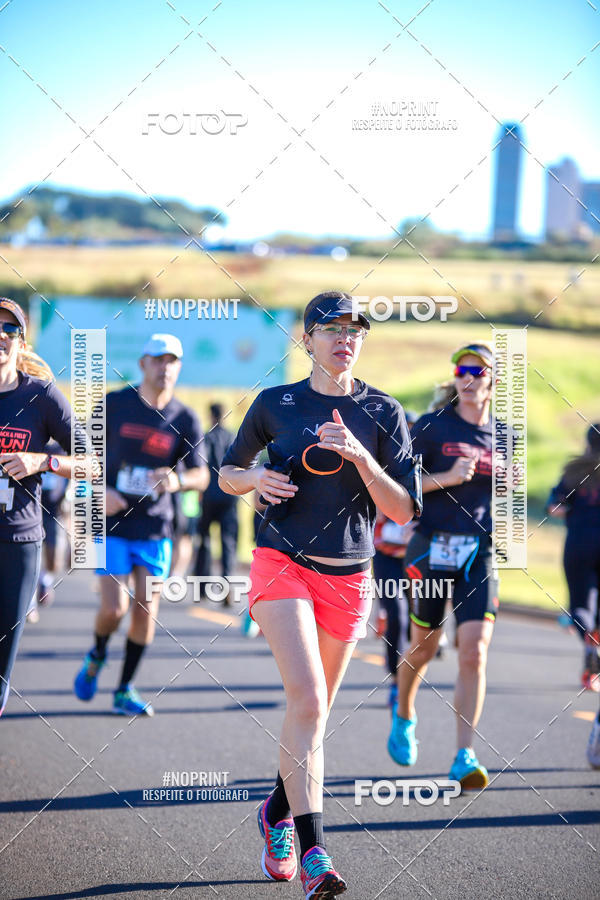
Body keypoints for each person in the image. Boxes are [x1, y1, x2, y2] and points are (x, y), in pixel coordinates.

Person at [219, 291, 421, 898]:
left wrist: (362, 457)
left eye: (355, 330)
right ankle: (315, 855)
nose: (345, 338)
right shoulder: (275, 403)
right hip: (282, 563)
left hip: (350, 575)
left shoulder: (384, 412)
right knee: (306, 697)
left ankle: (274, 812)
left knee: (314, 714)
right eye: (331, 329)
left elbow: (403, 509)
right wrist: (253, 477)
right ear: (306, 339)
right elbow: (229, 473)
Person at [73, 334, 209, 716]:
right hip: (110, 522)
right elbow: (80, 456)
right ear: (143, 364)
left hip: (154, 528)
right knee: (114, 608)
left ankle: (124, 688)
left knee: (145, 611)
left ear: (178, 367)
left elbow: (202, 475)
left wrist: (177, 481)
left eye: (172, 361)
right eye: (158, 360)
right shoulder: (115, 404)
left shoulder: (185, 417)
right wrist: (98, 492)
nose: (165, 368)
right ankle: (97, 653)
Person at [389, 341, 499, 791]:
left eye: (478, 370)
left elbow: (511, 507)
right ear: (454, 378)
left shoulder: (506, 436)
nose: (469, 378)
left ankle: (463, 754)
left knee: (474, 650)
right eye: (462, 369)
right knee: (426, 647)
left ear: (493, 380)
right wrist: (449, 478)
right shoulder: (433, 427)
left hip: (479, 555)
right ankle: (404, 711)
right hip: (431, 550)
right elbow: (400, 487)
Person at [0, 298, 75, 716]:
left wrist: (40, 460)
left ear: (21, 343)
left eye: (10, 329)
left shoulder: (41, 396)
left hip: (17, 539)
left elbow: (93, 462)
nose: (1, 335)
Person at [547, 424, 600, 691]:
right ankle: (593, 660)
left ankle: (591, 644)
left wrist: (570, 511)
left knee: (581, 604)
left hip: (579, 542)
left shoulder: (575, 470)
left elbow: (554, 506)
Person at [373, 409, 418, 708]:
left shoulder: (424, 464)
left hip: (418, 556)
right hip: (386, 555)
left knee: (419, 619)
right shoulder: (381, 462)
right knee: (397, 616)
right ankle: (395, 679)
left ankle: (412, 665)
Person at [193, 403, 238, 602]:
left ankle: (201, 587)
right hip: (229, 496)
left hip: (208, 496)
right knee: (228, 542)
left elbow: (199, 465)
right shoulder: (233, 438)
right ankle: (227, 585)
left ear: (211, 416)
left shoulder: (205, 437)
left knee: (204, 541)